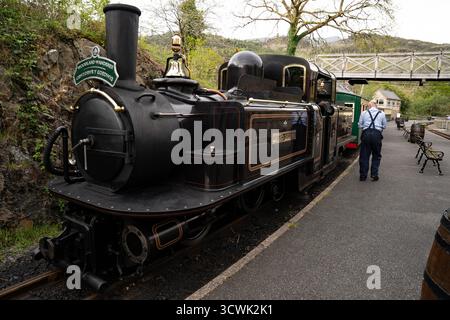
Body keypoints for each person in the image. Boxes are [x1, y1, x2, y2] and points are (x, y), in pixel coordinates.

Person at [358, 100, 387, 182]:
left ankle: (363, 176)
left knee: (364, 156)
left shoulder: (364, 113)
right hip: (377, 135)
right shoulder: (382, 113)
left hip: (366, 134)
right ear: (376, 105)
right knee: (376, 155)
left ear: (369, 106)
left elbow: (360, 125)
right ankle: (374, 175)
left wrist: (366, 126)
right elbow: (384, 126)